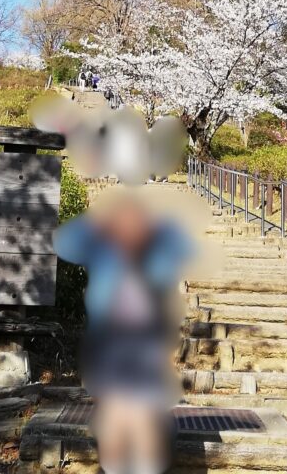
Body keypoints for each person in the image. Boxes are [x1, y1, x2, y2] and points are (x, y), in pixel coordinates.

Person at [54, 189, 193, 474]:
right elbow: (65, 242)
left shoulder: (157, 262)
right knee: (116, 417)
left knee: (140, 416)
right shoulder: (106, 258)